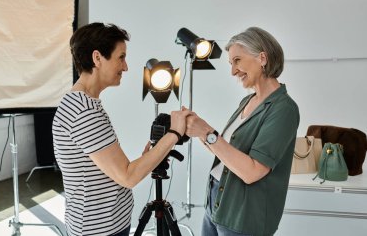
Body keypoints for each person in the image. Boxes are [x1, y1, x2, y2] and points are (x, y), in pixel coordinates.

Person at [52, 22, 190, 236]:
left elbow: (111, 169)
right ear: (97, 58)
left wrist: (151, 156)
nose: (125, 67)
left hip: (106, 224)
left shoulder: (84, 104)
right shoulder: (84, 111)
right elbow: (128, 176)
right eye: (121, 57)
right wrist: (173, 134)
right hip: (99, 230)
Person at [184, 27, 300, 236]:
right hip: (216, 203)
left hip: (242, 217)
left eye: (237, 60)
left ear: (262, 58)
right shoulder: (247, 101)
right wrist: (199, 129)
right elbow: (228, 153)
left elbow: (252, 172)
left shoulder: (283, 109)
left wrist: (209, 133)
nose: (233, 71)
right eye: (231, 63)